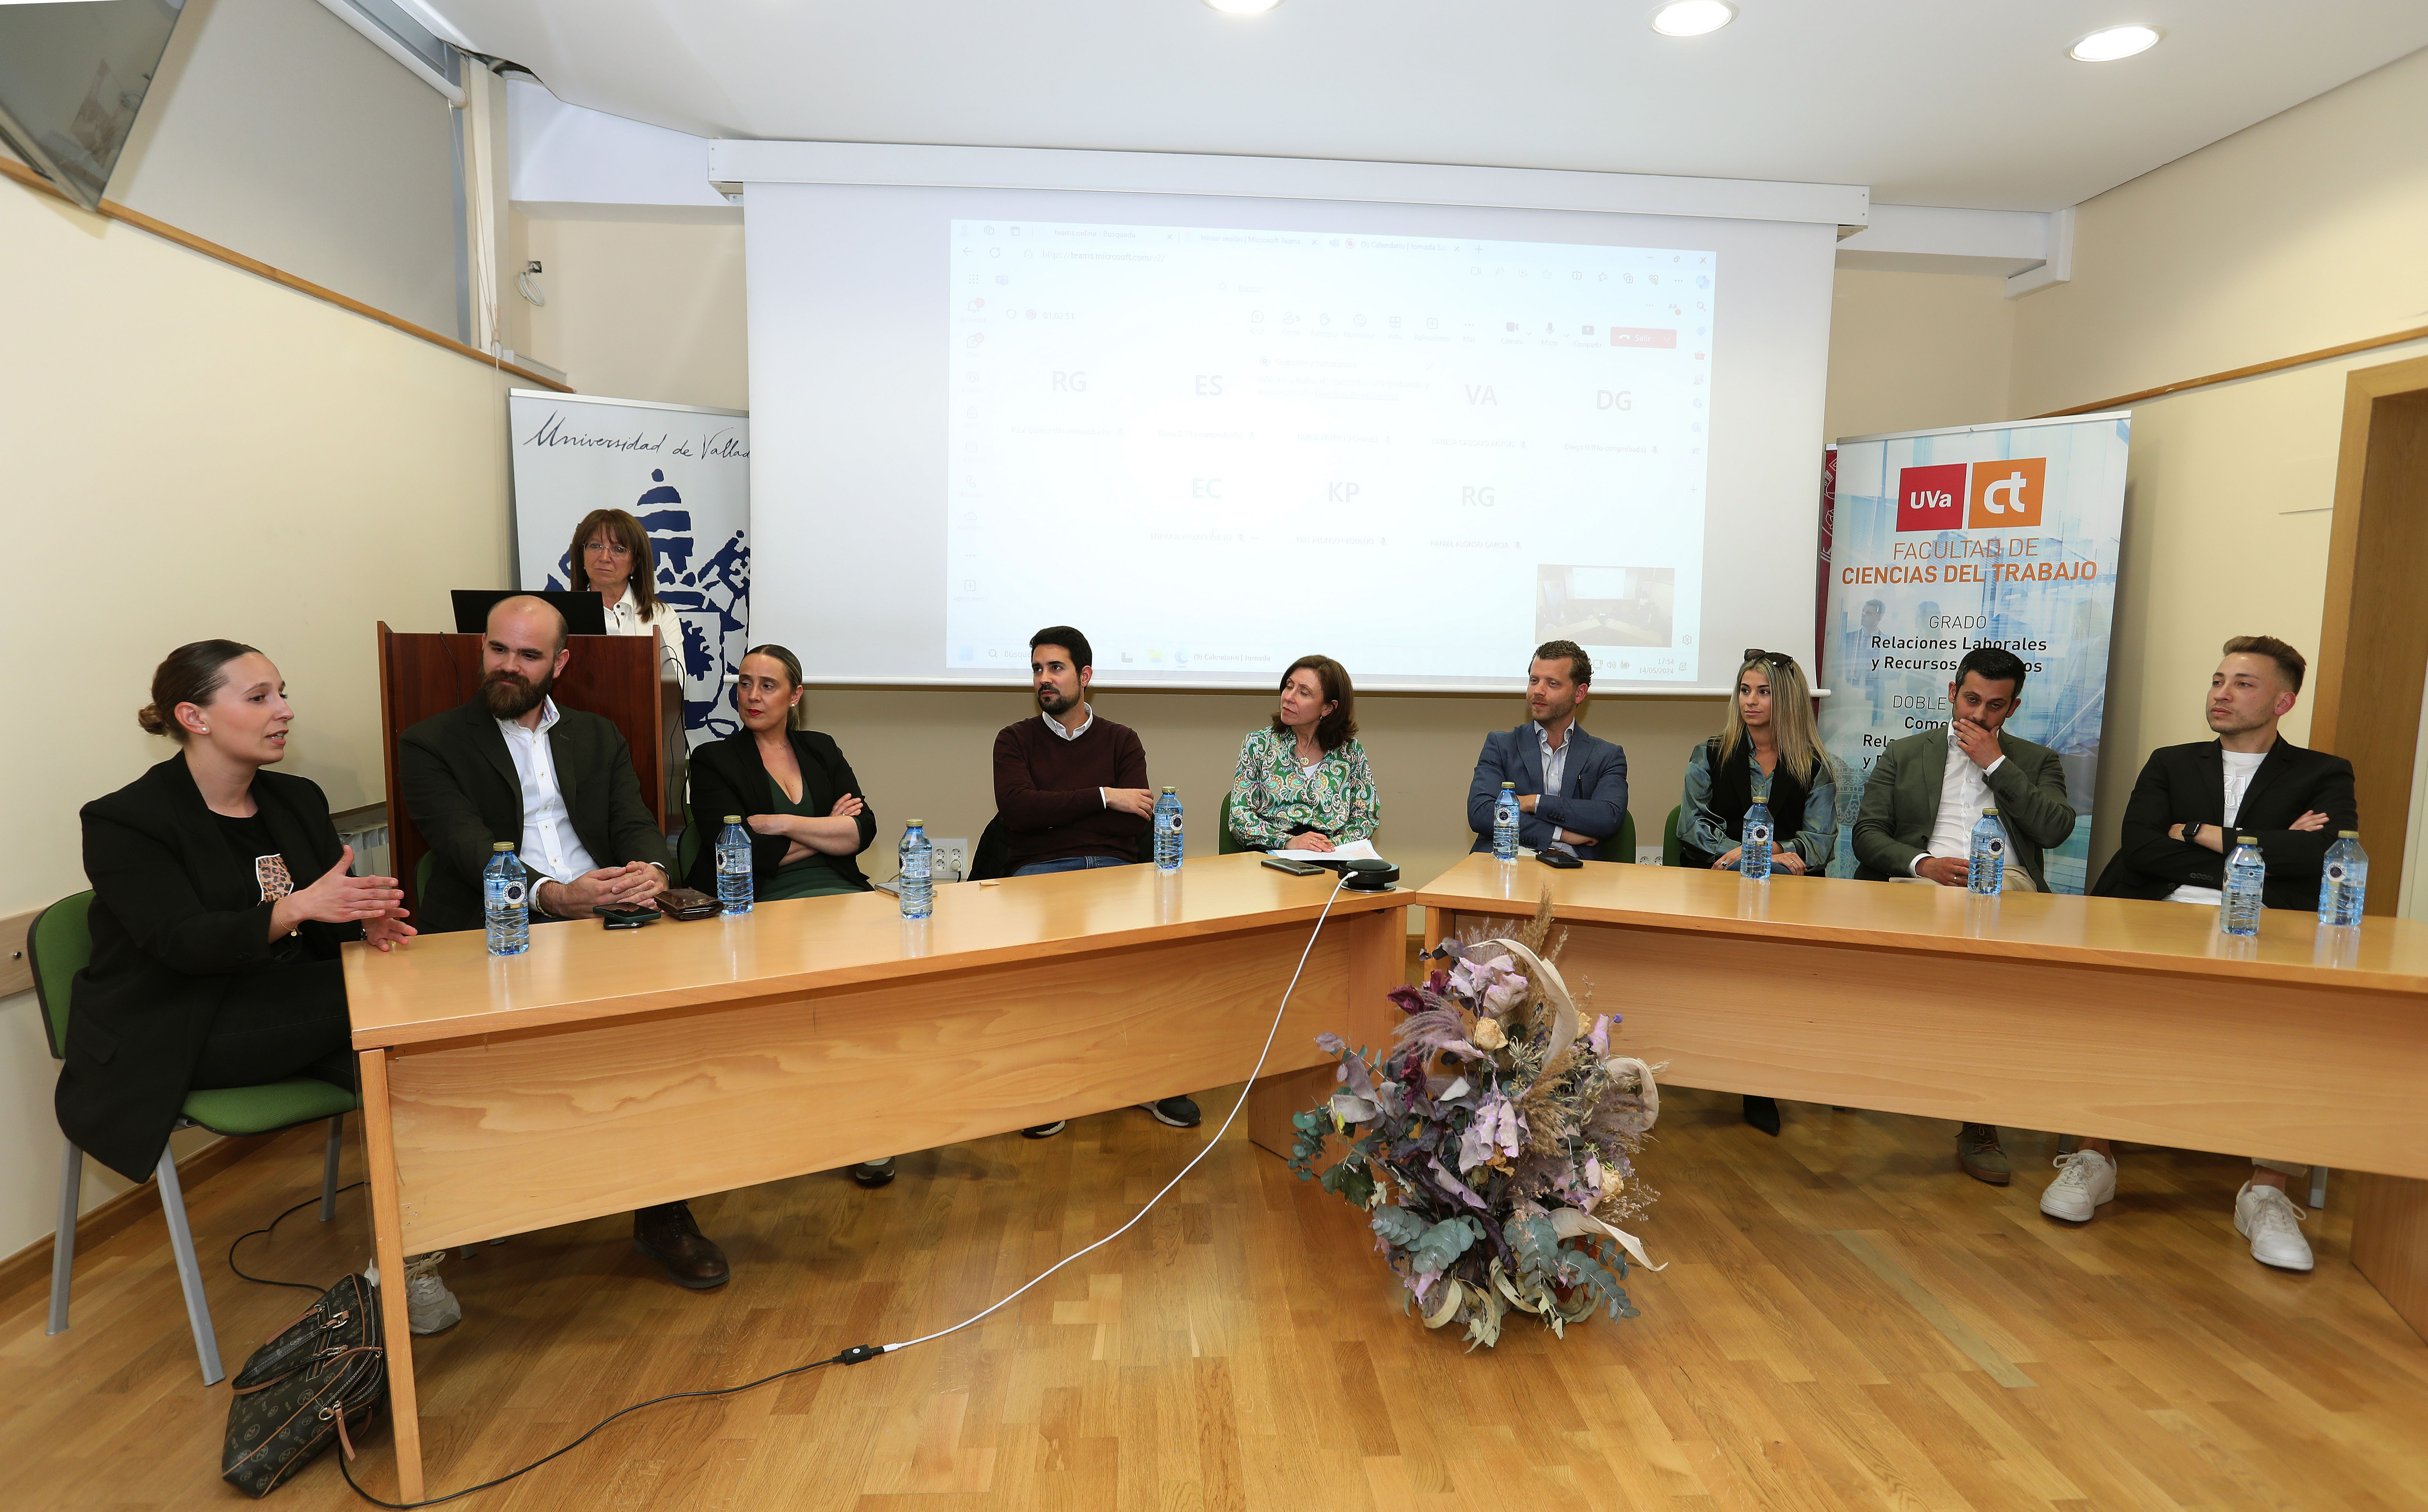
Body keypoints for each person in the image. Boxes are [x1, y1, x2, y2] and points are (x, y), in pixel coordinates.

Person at [57, 642, 464, 1331]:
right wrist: (298, 907)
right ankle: (406, 1264)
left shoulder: (295, 798)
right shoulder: (127, 819)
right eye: (259, 697)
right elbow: (179, 942)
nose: (285, 710)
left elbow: (319, 925)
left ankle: (410, 1259)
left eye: (282, 692)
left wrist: (364, 925)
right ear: (195, 715)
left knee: (413, 1060)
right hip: (178, 1023)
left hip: (289, 1009)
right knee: (388, 1009)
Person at [397, 595, 731, 1289]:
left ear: (561, 662)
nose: (508, 667)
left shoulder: (597, 733)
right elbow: (461, 846)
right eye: (497, 649)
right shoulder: (433, 742)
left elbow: (636, 821)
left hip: (607, 918)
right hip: (497, 929)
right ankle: (450, 1217)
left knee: (666, 1039)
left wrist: (651, 870)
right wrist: (552, 895)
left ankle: (661, 1211)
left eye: (528, 655)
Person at [2057, 636, 2358, 1269]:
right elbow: (2140, 849)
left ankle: (2267, 1191)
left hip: (2267, 928)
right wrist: (2264, 851)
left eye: (2243, 683)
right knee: (2104, 1004)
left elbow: (2321, 857)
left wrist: (2199, 832)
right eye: (2219, 679)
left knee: (2299, 1021)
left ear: (2284, 700)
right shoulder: (2171, 761)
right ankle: (2095, 1155)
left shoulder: (2323, 773)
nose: (2222, 692)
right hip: (2155, 913)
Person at [1852, 645, 2075, 1187]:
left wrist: (1994, 763)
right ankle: (1852, 1081)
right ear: (1951, 693)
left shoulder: (2035, 760)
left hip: (2005, 890)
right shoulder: (1905, 753)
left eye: (1993, 707)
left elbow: (2055, 829)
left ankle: (1979, 1123)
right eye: (1970, 700)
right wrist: (1922, 862)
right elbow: (1866, 834)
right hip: (1917, 885)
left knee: (1990, 982)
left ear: (2011, 709)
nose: (1978, 716)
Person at [683, 643, 902, 1190]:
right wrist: (822, 832)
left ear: (795, 695)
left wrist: (776, 825)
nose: (752, 696)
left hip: (843, 897)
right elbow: (735, 855)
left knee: (881, 992)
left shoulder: (821, 749)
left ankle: (871, 1127)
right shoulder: (714, 760)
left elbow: (864, 831)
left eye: (767, 685)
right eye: (744, 683)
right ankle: (801, 1127)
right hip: (765, 902)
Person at [993, 626, 1201, 1136]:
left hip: (1114, 873)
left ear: (1085, 675)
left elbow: (1137, 820)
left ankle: (1153, 1080)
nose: (1044, 679)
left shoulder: (1121, 739)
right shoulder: (1014, 740)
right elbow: (1017, 812)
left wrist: (1061, 810)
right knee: (1054, 970)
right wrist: (1104, 796)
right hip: (1039, 875)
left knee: (1150, 961)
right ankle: (1051, 1086)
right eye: (1037, 669)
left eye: (1055, 668)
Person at [1678, 650, 1838, 1137]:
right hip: (1717, 887)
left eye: (1762, 692)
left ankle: (1757, 1080)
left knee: (1769, 979)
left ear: (1785, 699)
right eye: (1744, 690)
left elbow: (1819, 842)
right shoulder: (1709, 753)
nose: (1749, 701)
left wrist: (1764, 857)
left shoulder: (1814, 765)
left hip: (1786, 896)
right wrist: (1748, 854)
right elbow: (1692, 825)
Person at [1465, 639, 1628, 860]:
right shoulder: (1501, 745)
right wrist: (1560, 834)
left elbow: (1608, 818)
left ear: (1580, 693)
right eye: (1534, 681)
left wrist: (1534, 802)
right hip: (1507, 862)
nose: (1538, 691)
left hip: (1575, 874)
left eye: (1552, 683)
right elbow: (1482, 813)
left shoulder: (1607, 756)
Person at [1226, 655, 1379, 853]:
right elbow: (1240, 817)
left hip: (1332, 861)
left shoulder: (1350, 752)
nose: (1289, 697)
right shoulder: (1259, 744)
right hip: (1273, 860)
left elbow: (1366, 818)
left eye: (1304, 693)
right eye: (1289, 686)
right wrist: (1288, 842)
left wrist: (1324, 848)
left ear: (1328, 708)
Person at [567, 507, 682, 682]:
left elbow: (675, 685)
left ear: (635, 563)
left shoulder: (662, 615)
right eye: (596, 546)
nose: (605, 557)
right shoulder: (561, 615)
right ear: (581, 555)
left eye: (618, 549)